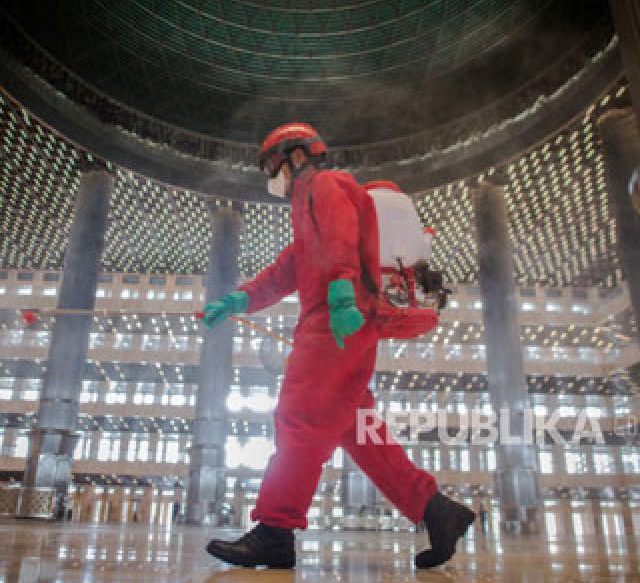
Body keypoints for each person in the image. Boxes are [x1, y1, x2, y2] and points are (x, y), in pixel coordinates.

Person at [201, 123, 475, 569]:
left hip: (332, 322)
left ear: (296, 156)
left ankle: (274, 530)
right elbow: (288, 269)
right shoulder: (307, 206)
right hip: (342, 321)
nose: (274, 175)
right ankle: (436, 510)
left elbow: (341, 237)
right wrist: (241, 298)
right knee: (358, 430)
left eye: (274, 164)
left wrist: (343, 293)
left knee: (299, 418)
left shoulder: (325, 185)